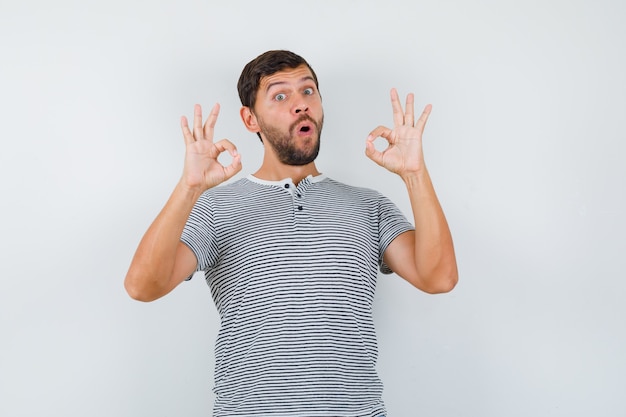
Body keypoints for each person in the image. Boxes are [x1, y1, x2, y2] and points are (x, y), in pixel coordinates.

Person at [125, 50, 458, 417]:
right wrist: (189, 188)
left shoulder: (369, 206)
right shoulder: (215, 208)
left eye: (308, 91)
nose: (300, 105)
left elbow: (438, 277)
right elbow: (143, 287)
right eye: (280, 96)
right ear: (250, 119)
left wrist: (415, 174)